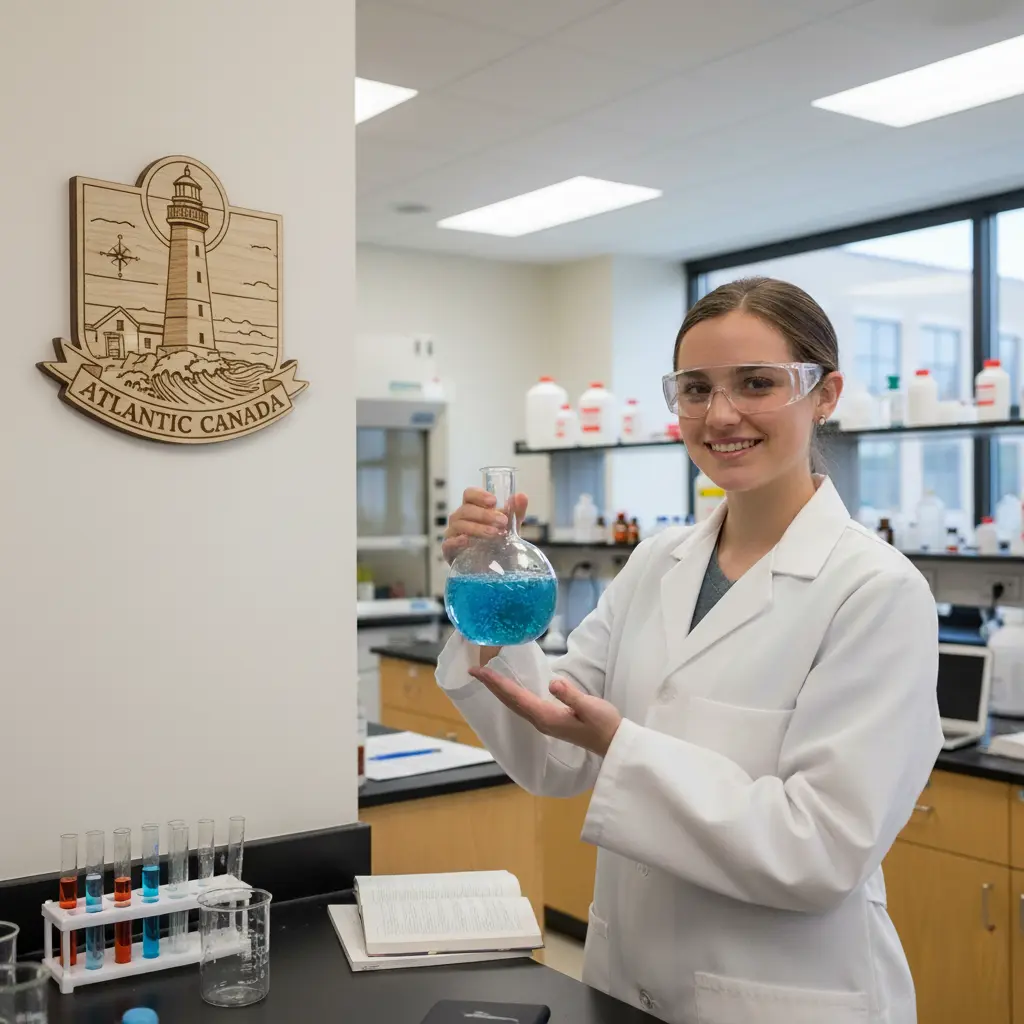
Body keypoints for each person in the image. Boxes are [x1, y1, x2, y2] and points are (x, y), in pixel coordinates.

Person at [437, 276, 941, 1024]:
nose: (722, 414)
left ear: (826, 393)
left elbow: (824, 849)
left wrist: (626, 747)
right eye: (696, 389)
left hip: (782, 997)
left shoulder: (874, 591)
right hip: (624, 981)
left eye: (757, 384)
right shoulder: (658, 560)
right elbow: (556, 754)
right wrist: (488, 594)